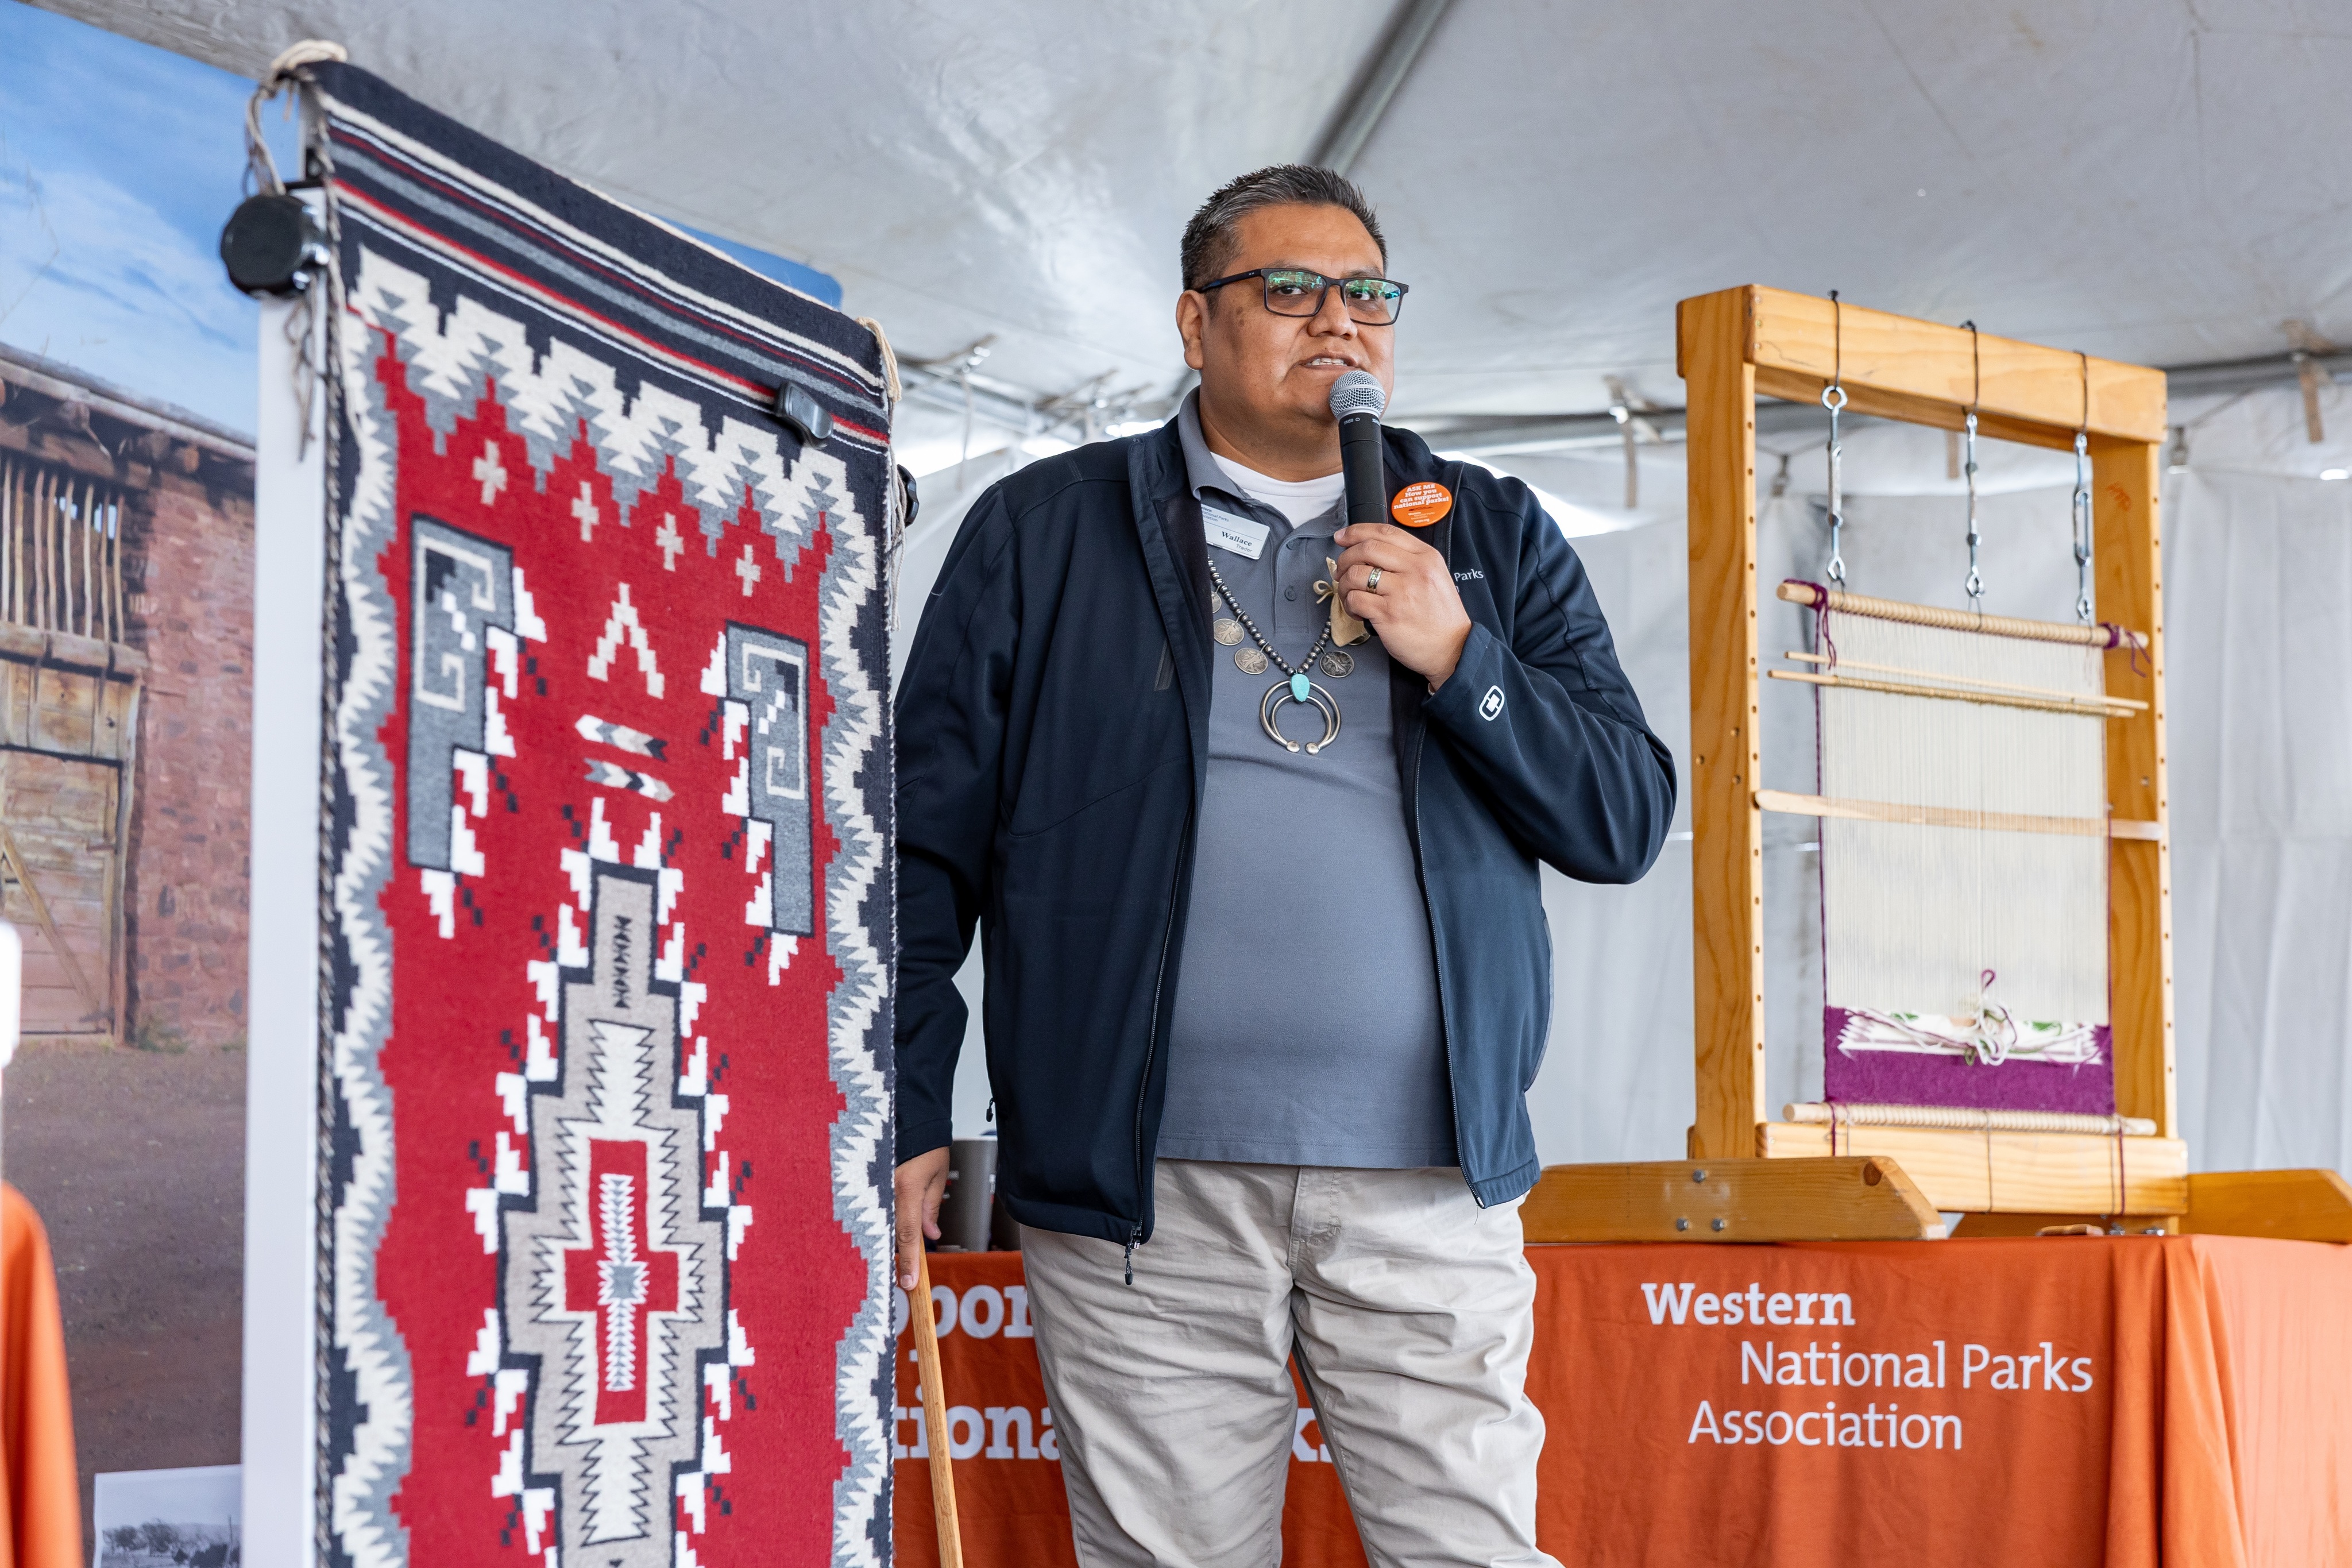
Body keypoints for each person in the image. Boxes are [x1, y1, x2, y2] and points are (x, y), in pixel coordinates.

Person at [893, 164, 1675, 1568]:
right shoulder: (1043, 528)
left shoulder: (1488, 534)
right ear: (1194, 324)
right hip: (1136, 1186)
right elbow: (912, 851)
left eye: (1368, 292)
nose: (1339, 320)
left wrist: (1461, 656)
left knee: (1471, 1554)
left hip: (1427, 1177)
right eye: (1291, 288)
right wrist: (900, 1103)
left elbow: (1619, 819)